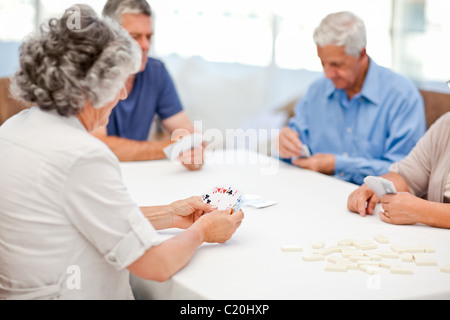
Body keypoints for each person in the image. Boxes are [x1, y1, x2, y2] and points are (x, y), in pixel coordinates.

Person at [0, 5, 243, 300]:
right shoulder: (83, 155)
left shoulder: (13, 129)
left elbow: (83, 218)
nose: (124, 93)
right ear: (90, 87)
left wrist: (169, 214)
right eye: (117, 81)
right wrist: (203, 231)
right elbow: (156, 265)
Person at [275, 11, 426, 185]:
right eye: (323, 62)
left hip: (370, 202)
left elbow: (405, 172)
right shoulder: (316, 91)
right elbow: (295, 145)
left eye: (336, 64)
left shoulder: (402, 96)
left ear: (361, 54)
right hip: (313, 191)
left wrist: (336, 164)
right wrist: (284, 144)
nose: (328, 73)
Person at [92, 0, 204, 170]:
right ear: (108, 38)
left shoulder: (156, 71)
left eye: (149, 36)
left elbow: (187, 133)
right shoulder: (90, 73)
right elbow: (100, 147)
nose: (145, 45)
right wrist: (172, 148)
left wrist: (194, 152)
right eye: (135, 37)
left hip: (140, 176)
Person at [347, 111, 450, 229]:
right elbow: (407, 177)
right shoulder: (445, 125)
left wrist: (423, 211)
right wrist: (376, 187)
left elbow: (421, 210)